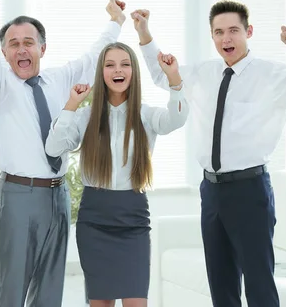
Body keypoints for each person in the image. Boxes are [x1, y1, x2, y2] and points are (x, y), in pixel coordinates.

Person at [134, 1, 286, 307]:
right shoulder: (202, 73)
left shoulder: (272, 75)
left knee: (259, 281)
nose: (226, 39)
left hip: (250, 191)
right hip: (211, 190)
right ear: (212, 37)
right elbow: (163, 76)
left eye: (234, 31)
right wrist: (144, 32)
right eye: (219, 32)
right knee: (221, 282)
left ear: (248, 32)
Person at [0, 0, 126, 306]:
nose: (22, 49)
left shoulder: (59, 79)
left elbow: (94, 57)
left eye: (29, 42)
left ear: (42, 48)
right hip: (19, 196)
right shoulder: (0, 86)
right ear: (5, 52)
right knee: (12, 289)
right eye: (13, 43)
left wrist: (115, 22)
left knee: (50, 289)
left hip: (58, 195)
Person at [45, 42, 188, 307]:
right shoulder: (86, 116)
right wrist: (71, 105)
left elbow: (177, 119)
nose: (117, 70)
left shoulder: (146, 115)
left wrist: (174, 80)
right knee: (101, 303)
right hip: (95, 219)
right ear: (101, 72)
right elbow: (53, 147)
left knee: (136, 301)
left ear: (134, 71)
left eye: (125, 64)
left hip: (133, 218)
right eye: (110, 65)